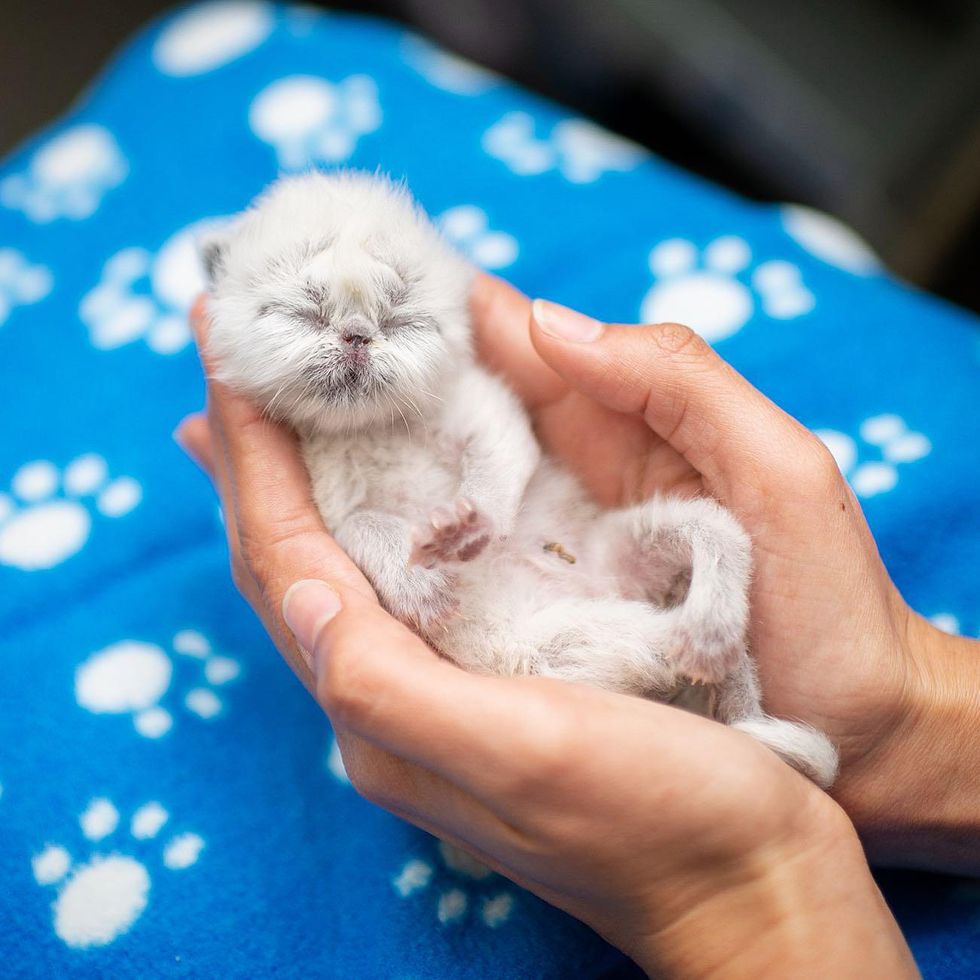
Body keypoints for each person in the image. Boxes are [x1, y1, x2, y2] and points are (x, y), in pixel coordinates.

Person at [176, 273, 979, 977]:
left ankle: (729, 676)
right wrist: (410, 574)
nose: (358, 340)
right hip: (525, 632)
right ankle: (724, 700)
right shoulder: (323, 454)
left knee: (709, 531)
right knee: (575, 644)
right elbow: (362, 537)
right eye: (300, 313)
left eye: (398, 312)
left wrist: (745, 899)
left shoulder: (458, 385)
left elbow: (500, 440)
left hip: (587, 550)